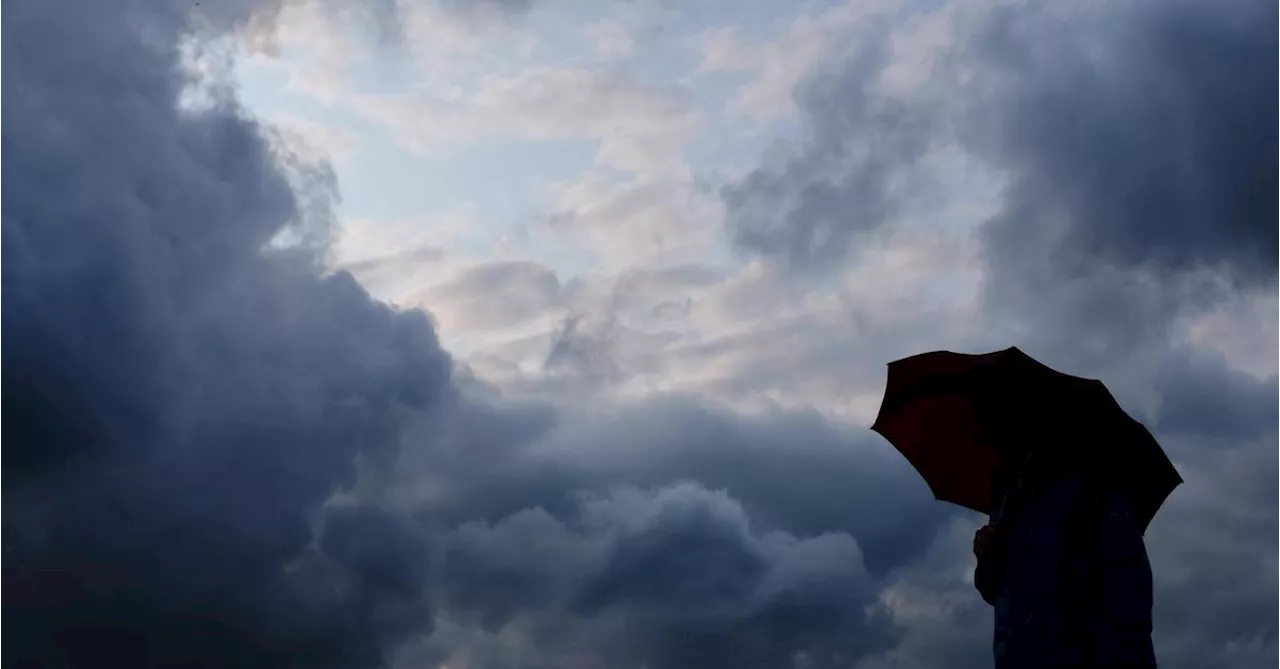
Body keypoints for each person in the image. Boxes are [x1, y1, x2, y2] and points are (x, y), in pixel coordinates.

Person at [972, 437, 1158, 669]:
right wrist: (988, 555)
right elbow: (1000, 590)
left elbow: (1128, 598)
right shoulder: (1009, 486)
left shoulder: (1096, 486)